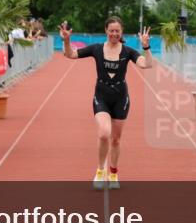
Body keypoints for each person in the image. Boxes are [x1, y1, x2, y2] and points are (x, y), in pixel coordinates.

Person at [59, 16, 152, 190]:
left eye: (117, 31)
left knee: (115, 140)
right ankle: (100, 170)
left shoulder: (128, 52)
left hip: (120, 98)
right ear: (106, 31)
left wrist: (146, 47)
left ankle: (114, 173)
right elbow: (70, 54)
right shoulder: (96, 49)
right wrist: (66, 40)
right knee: (103, 133)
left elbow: (147, 64)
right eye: (111, 31)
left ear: (121, 32)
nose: (114, 34)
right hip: (101, 95)